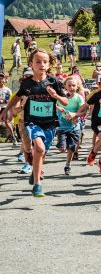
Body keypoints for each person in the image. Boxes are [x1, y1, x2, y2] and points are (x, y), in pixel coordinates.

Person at [0, 49, 68, 197]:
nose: (42, 64)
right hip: (32, 122)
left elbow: (65, 101)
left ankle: (35, 172)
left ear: (49, 64)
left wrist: (56, 95)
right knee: (39, 148)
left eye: (45, 62)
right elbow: (17, 97)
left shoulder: (53, 81)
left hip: (50, 123)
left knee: (41, 153)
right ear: (31, 64)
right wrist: (6, 111)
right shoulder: (27, 83)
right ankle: (37, 184)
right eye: (38, 61)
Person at [56, 77, 84, 175]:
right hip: (62, 126)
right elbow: (53, 104)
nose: (71, 87)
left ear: (77, 87)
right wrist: (59, 108)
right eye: (69, 85)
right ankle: (61, 144)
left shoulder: (78, 98)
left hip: (74, 126)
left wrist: (75, 115)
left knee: (71, 148)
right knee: (61, 148)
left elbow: (84, 111)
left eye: (74, 85)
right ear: (65, 87)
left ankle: (68, 165)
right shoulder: (61, 97)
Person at [0, 72, 17, 145]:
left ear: (4, 80)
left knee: (7, 122)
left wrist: (3, 100)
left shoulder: (7, 90)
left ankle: (13, 137)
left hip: (5, 107)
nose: (0, 80)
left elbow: (9, 100)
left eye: (1, 78)